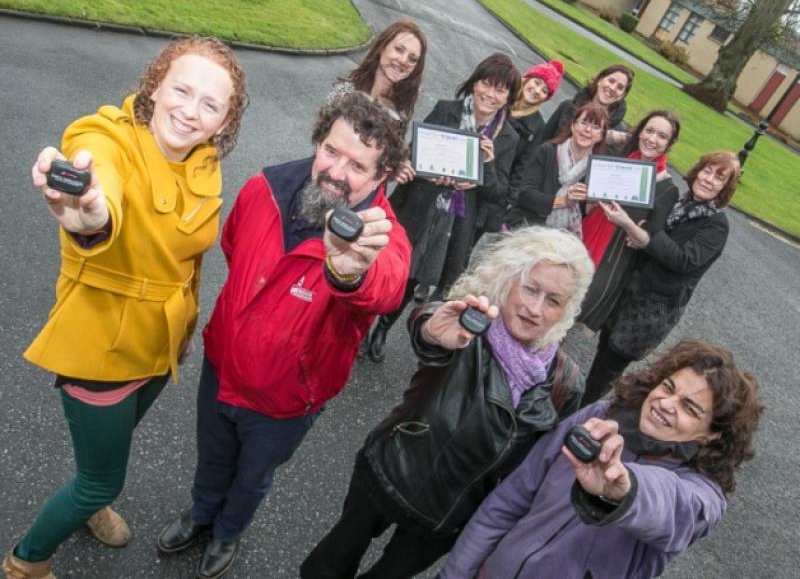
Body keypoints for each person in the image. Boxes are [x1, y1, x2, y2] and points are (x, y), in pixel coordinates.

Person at [3, 37, 248, 579]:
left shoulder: (203, 160)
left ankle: (90, 497)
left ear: (225, 118)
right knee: (101, 481)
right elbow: (99, 192)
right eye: (181, 90)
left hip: (162, 345)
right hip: (104, 350)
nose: (190, 111)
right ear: (154, 85)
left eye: (211, 104)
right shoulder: (108, 138)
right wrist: (88, 215)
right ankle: (26, 562)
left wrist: (181, 334)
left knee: (108, 453)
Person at [155, 92, 411, 579]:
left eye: (358, 166)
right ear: (318, 142)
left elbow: (384, 289)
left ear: (381, 178)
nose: (337, 171)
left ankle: (227, 533)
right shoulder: (264, 187)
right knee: (211, 458)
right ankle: (200, 514)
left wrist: (348, 271)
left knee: (252, 477)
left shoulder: (381, 239)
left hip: (286, 399)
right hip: (223, 367)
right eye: (332, 151)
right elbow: (234, 247)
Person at [301, 226, 594, 579]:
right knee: (330, 564)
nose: (535, 308)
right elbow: (428, 327)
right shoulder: (469, 323)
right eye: (530, 288)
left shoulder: (565, 381)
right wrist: (429, 331)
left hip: (446, 518)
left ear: (565, 311)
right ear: (507, 281)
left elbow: (533, 468)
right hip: (389, 474)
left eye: (553, 300)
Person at [441, 338, 762, 579]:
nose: (666, 403)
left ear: (711, 435)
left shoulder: (703, 496)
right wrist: (456, 572)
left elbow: (671, 505)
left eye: (689, 408)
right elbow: (511, 499)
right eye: (668, 387)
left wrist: (624, 491)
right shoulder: (600, 417)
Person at [364, 53, 520, 363]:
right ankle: (360, 321)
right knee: (389, 263)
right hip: (420, 204)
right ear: (474, 83)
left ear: (508, 98)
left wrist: (485, 167)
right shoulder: (446, 110)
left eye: (500, 90)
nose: (490, 94)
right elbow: (415, 154)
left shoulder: (507, 138)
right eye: (486, 84)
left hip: (456, 220)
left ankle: (383, 327)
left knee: (415, 275)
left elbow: (499, 192)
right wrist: (424, 168)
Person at [581, 152, 742, 405]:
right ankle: (578, 411)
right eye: (707, 171)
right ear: (698, 171)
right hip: (629, 295)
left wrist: (642, 234)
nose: (709, 180)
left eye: (719, 178)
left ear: (726, 187)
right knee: (603, 358)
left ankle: (576, 420)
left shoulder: (716, 224)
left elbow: (683, 260)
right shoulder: (682, 202)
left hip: (650, 311)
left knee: (608, 370)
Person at [578, 110, 682, 332]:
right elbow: (587, 208)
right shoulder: (618, 163)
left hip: (611, 259)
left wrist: (626, 223)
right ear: (640, 131)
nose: (652, 139)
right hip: (582, 237)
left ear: (670, 144)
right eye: (649, 130)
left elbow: (650, 240)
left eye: (662, 136)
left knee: (573, 312)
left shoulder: (667, 188)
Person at [327, 19, 427, 187]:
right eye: (399, 49)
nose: (403, 61)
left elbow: (384, 158)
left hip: (368, 197)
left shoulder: (401, 110)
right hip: (332, 182)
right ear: (382, 47)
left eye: (412, 59)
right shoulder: (345, 93)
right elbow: (321, 147)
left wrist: (397, 167)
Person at [505, 101, 608, 237]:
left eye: (595, 127)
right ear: (573, 125)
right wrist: (564, 201)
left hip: (560, 239)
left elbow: (584, 213)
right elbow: (525, 195)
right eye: (583, 123)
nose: (587, 130)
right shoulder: (547, 151)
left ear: (601, 136)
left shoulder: (597, 170)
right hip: (523, 228)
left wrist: (592, 204)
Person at [536, 63, 634, 146]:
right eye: (611, 81)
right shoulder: (567, 106)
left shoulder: (618, 132)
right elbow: (540, 142)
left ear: (622, 95)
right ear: (600, 80)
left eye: (620, 87)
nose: (613, 88)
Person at [507, 59, 564, 200]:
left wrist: (509, 197)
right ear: (527, 79)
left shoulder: (538, 127)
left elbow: (523, 165)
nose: (537, 91)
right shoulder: (502, 98)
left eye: (545, 91)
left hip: (496, 183)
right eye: (537, 82)